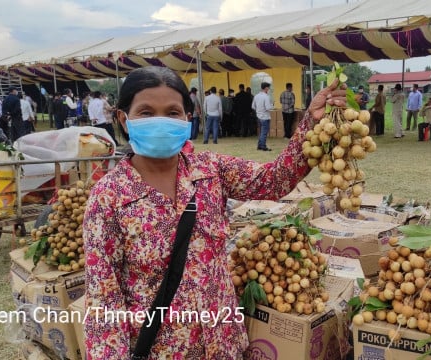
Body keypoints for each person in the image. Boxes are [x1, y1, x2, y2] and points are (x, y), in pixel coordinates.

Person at [83, 66, 347, 359]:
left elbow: (273, 180)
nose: (160, 121)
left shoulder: (210, 170)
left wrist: (311, 121)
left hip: (224, 344)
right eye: (146, 112)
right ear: (124, 118)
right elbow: (103, 298)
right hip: (163, 349)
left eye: (172, 112)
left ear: (187, 118)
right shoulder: (109, 196)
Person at [252, 82, 274, 151]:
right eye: (268, 88)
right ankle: (263, 146)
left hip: (258, 116)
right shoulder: (266, 96)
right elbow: (268, 108)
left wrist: (259, 110)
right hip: (265, 116)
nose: (269, 89)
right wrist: (272, 105)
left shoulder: (256, 96)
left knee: (261, 132)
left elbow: (253, 106)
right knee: (264, 133)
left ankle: (259, 145)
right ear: (266, 88)